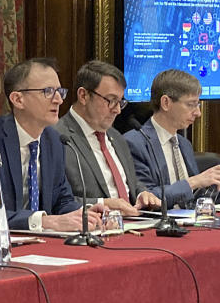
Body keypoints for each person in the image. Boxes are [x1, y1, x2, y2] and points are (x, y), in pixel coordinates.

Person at [0, 57, 103, 233]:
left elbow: (61, 200)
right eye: (48, 91)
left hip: (34, 245)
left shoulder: (54, 140)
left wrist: (85, 215)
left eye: (60, 91)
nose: (58, 100)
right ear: (18, 99)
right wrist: (45, 222)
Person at [124, 69, 220, 208]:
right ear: (166, 103)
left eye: (198, 105)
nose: (198, 113)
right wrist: (194, 181)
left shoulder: (184, 144)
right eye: (191, 104)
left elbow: (194, 199)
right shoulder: (135, 143)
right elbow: (147, 198)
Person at [54, 60, 160, 215]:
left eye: (120, 102)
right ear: (83, 95)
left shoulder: (116, 136)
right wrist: (103, 204)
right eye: (111, 100)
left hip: (133, 224)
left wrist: (142, 194)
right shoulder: (57, 137)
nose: (117, 110)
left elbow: (131, 182)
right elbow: (56, 201)